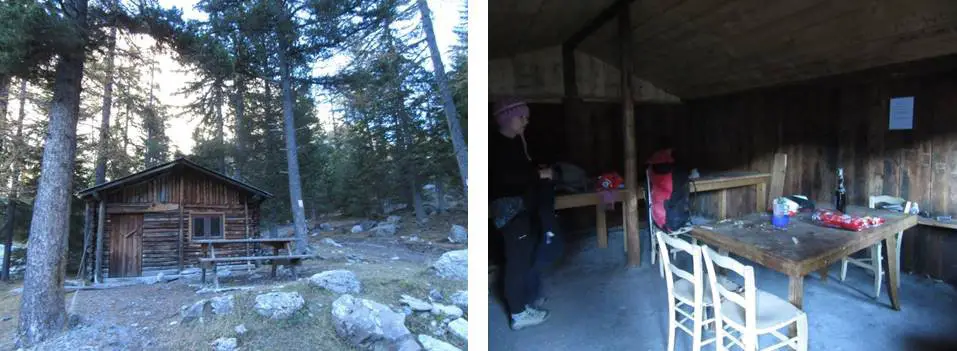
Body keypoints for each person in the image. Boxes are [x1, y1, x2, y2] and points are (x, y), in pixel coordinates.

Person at [490, 97, 554, 330]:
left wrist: (536, 169)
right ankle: (518, 314)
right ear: (507, 118)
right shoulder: (495, 145)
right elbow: (504, 180)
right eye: (521, 117)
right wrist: (538, 176)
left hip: (522, 208)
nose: (526, 121)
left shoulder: (514, 142)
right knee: (516, 262)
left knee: (525, 257)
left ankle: (525, 300)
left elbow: (520, 170)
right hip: (509, 212)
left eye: (526, 117)